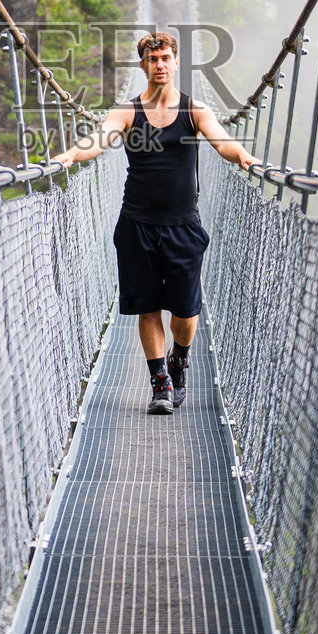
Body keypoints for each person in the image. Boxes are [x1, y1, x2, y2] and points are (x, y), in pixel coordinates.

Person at [55, 31, 260, 413]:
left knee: (185, 311)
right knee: (148, 307)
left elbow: (222, 142)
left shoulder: (195, 111)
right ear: (143, 65)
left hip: (183, 225)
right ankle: (160, 384)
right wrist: (68, 156)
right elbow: (98, 141)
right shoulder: (126, 112)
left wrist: (246, 158)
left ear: (176, 61)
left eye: (166, 58)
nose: (160, 65)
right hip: (137, 225)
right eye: (153, 60)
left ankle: (178, 360)